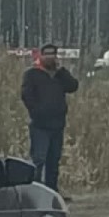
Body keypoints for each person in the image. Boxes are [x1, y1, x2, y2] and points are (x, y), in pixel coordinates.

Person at [21, 43, 79, 196]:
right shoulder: (32, 74)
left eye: (52, 54)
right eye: (46, 54)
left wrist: (62, 72)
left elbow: (73, 87)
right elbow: (27, 96)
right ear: (41, 55)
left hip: (57, 124)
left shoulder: (59, 75)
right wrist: (36, 112)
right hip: (40, 125)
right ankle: (34, 192)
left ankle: (53, 192)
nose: (50, 57)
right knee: (38, 160)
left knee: (54, 161)